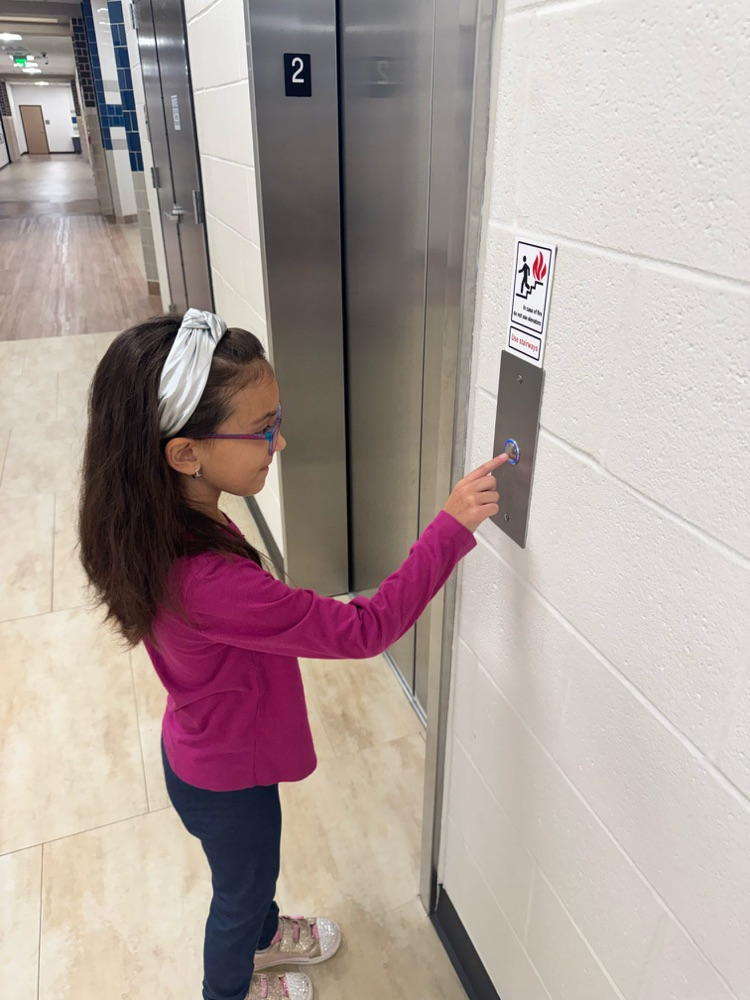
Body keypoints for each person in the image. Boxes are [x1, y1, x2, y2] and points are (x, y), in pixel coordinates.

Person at [78, 310, 507, 1000]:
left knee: (250, 877)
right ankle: (234, 985)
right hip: (228, 782)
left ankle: (266, 935)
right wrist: (450, 526)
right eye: (261, 429)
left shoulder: (156, 516)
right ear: (184, 452)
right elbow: (366, 628)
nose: (280, 440)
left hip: (201, 749)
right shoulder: (208, 582)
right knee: (239, 894)